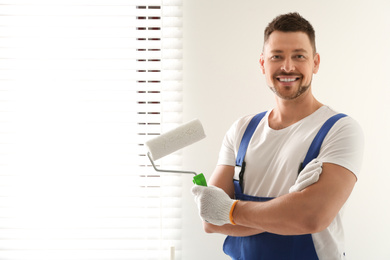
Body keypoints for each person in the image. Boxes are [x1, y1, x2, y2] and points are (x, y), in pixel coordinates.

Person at [192, 12, 364, 260]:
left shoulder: (341, 130)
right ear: (263, 63)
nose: (287, 66)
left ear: (315, 62)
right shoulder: (241, 130)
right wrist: (290, 207)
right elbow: (211, 220)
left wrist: (229, 210)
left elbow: (312, 217)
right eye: (277, 56)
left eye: (299, 56)